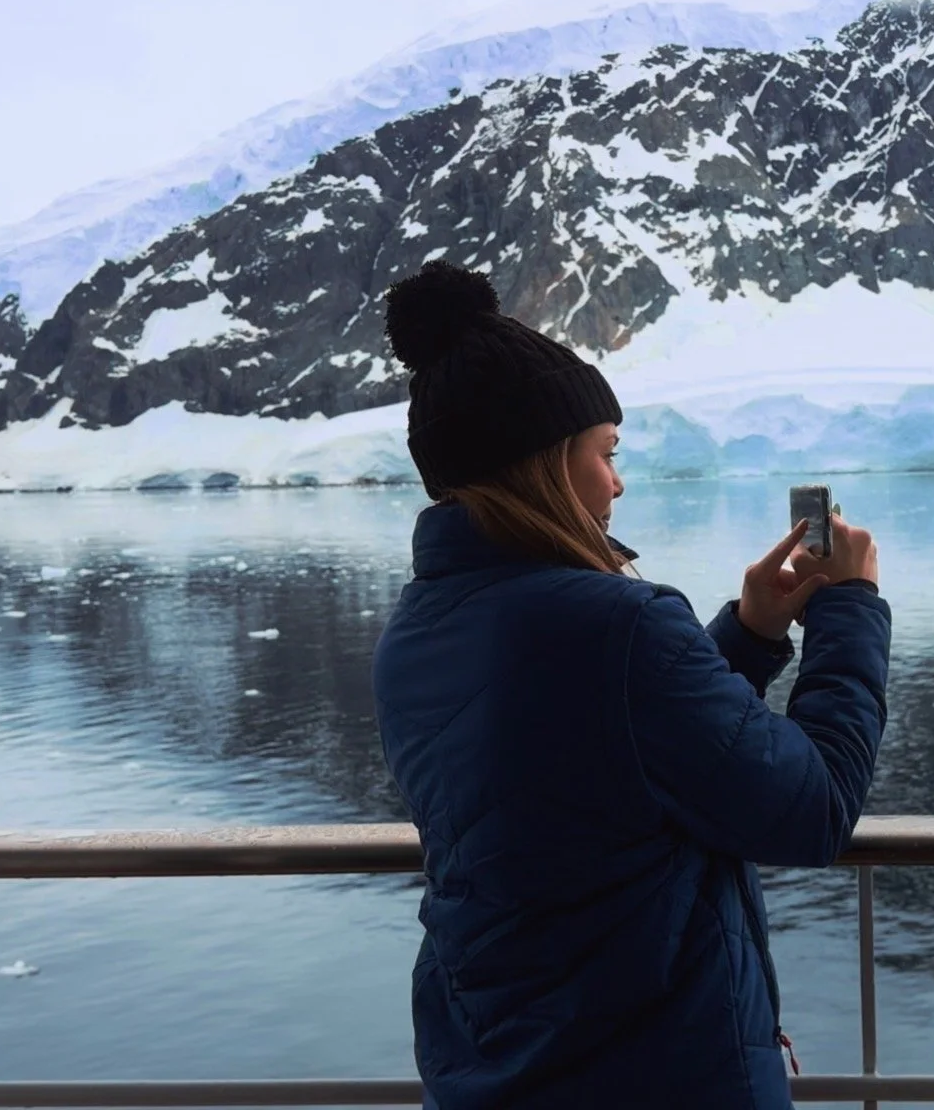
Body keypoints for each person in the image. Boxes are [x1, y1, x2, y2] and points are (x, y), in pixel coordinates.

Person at [371, 261, 891, 1110]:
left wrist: (751, 636)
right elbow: (813, 808)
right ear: (543, 462)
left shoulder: (416, 632)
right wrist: (851, 611)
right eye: (606, 455)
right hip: (655, 1073)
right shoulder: (616, 625)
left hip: (492, 1067)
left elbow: (604, 754)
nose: (617, 484)